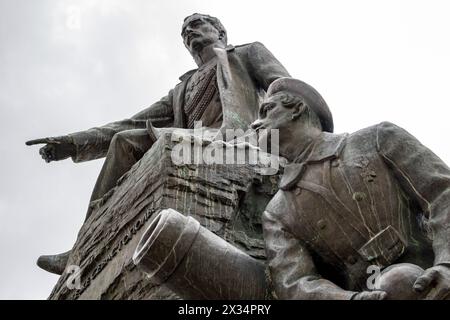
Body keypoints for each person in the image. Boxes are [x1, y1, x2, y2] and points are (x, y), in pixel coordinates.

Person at [26, 13, 290, 275]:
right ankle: (81, 249)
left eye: (197, 25)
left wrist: (297, 139)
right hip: (190, 141)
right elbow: (131, 122)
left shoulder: (246, 53)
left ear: (219, 32)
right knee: (124, 140)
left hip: (235, 138)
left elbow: (286, 88)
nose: (189, 32)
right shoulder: (182, 89)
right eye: (184, 32)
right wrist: (73, 144)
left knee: (165, 140)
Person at [252, 77, 450, 299]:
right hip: (369, 294)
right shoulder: (276, 212)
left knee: (402, 277)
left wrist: (446, 264)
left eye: (267, 110)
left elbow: (443, 193)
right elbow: (294, 283)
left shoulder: (377, 139)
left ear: (296, 108)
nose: (254, 124)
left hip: (435, 281)